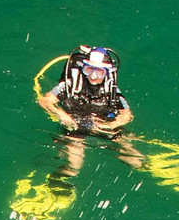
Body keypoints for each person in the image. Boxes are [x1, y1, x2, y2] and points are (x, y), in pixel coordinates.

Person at [35, 46, 147, 178]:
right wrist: (62, 115)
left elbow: (127, 114)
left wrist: (110, 126)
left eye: (99, 72)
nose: (93, 76)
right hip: (75, 128)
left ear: (107, 72)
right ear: (83, 68)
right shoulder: (71, 84)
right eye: (89, 69)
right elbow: (44, 101)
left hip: (102, 126)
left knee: (135, 159)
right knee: (74, 166)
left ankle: (154, 169)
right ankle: (56, 181)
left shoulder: (112, 91)